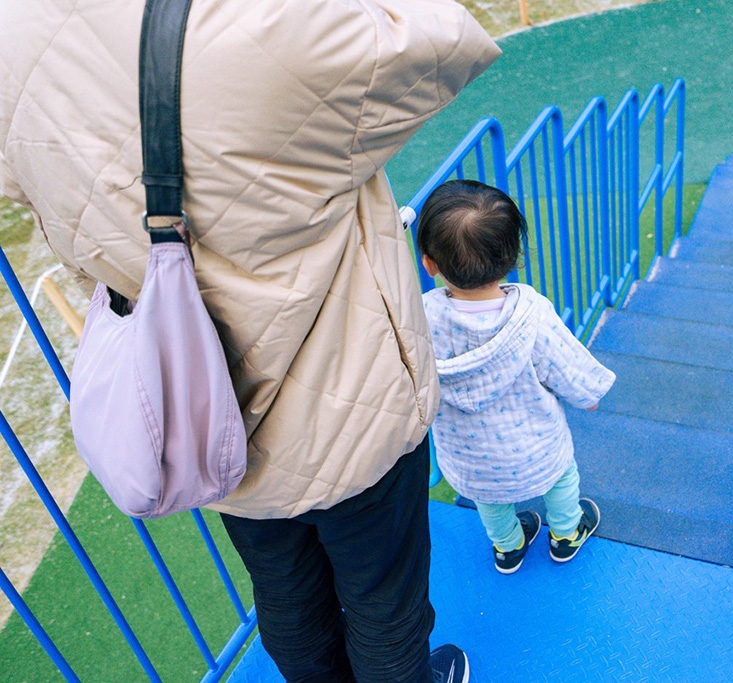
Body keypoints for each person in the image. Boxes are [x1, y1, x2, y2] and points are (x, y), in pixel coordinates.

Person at [0, 1, 500, 681]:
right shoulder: (265, 23)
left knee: (287, 597)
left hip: (201, 407)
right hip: (350, 404)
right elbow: (447, 37)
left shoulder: (17, 28)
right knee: (384, 600)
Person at [417, 179, 616, 574]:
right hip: (538, 449)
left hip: (470, 459)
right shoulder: (531, 314)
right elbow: (567, 367)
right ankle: (566, 533)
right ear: (512, 257)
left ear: (429, 263)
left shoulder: (418, 319)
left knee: (489, 500)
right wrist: (589, 395)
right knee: (561, 481)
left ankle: (508, 546)